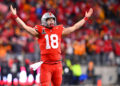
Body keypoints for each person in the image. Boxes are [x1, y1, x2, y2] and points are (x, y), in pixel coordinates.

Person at [10, 5, 93, 86]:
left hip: (57, 64)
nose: (51, 21)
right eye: (49, 20)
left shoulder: (58, 29)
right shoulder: (40, 30)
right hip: (46, 65)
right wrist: (16, 16)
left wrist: (85, 18)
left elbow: (73, 28)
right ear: (44, 21)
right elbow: (25, 27)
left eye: (52, 19)